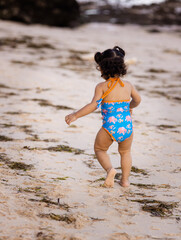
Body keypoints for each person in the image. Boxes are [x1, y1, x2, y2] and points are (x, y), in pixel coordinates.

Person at [65, 46, 141, 187]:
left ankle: (110, 170)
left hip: (109, 127)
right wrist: (130, 107)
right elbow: (137, 100)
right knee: (125, 152)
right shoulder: (128, 85)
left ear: (102, 68)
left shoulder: (102, 86)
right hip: (127, 126)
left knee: (100, 149)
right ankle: (125, 181)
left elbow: (94, 105)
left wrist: (76, 115)